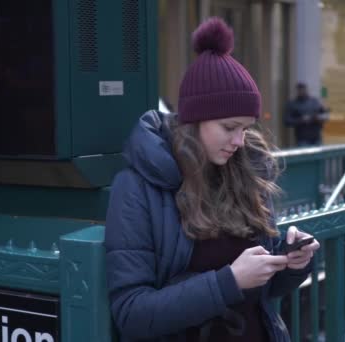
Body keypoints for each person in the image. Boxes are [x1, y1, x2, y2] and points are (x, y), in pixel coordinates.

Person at [105, 17, 320, 342]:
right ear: (194, 121)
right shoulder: (137, 188)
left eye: (246, 129)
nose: (239, 141)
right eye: (229, 127)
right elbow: (131, 314)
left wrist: (291, 263)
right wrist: (229, 280)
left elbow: (262, 291)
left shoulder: (247, 173)